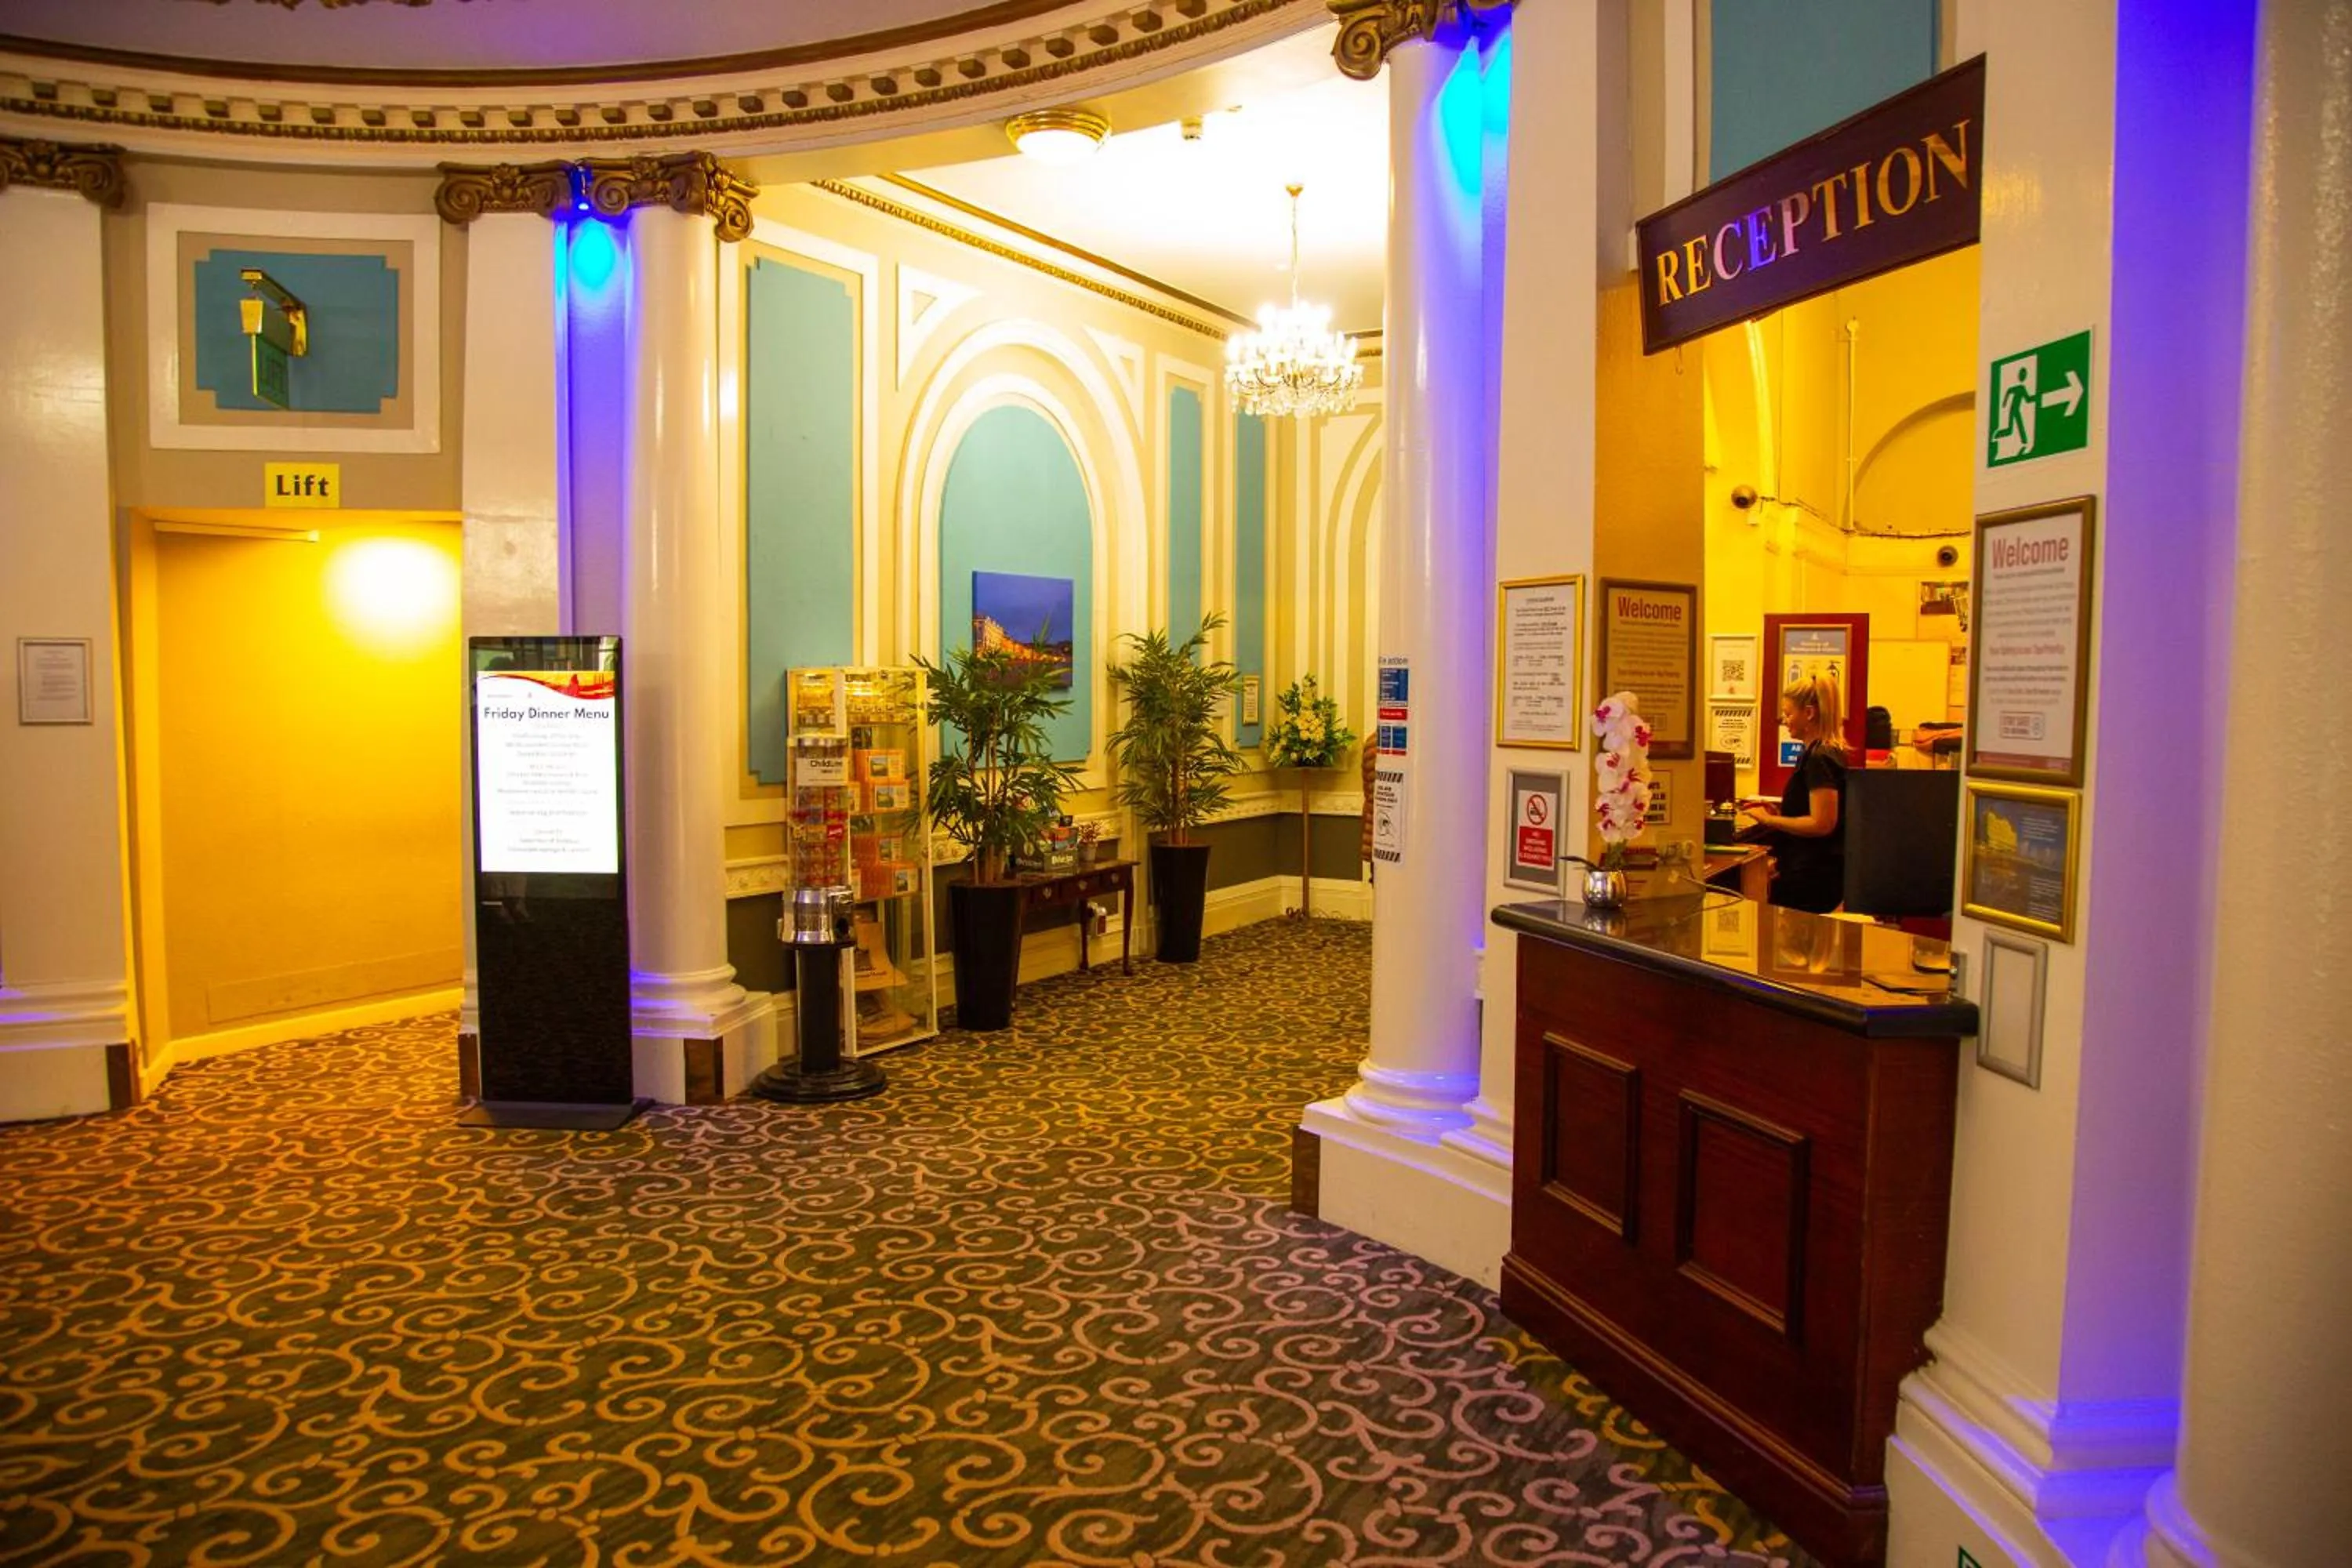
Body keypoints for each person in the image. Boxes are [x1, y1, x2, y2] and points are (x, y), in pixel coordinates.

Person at [1740, 670, 1849, 913]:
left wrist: (1770, 820)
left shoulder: (1819, 758)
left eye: (1788, 713)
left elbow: (1822, 823)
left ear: (1809, 713)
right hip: (1815, 871)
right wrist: (1781, 813)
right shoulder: (1822, 753)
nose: (1784, 720)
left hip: (1812, 875)